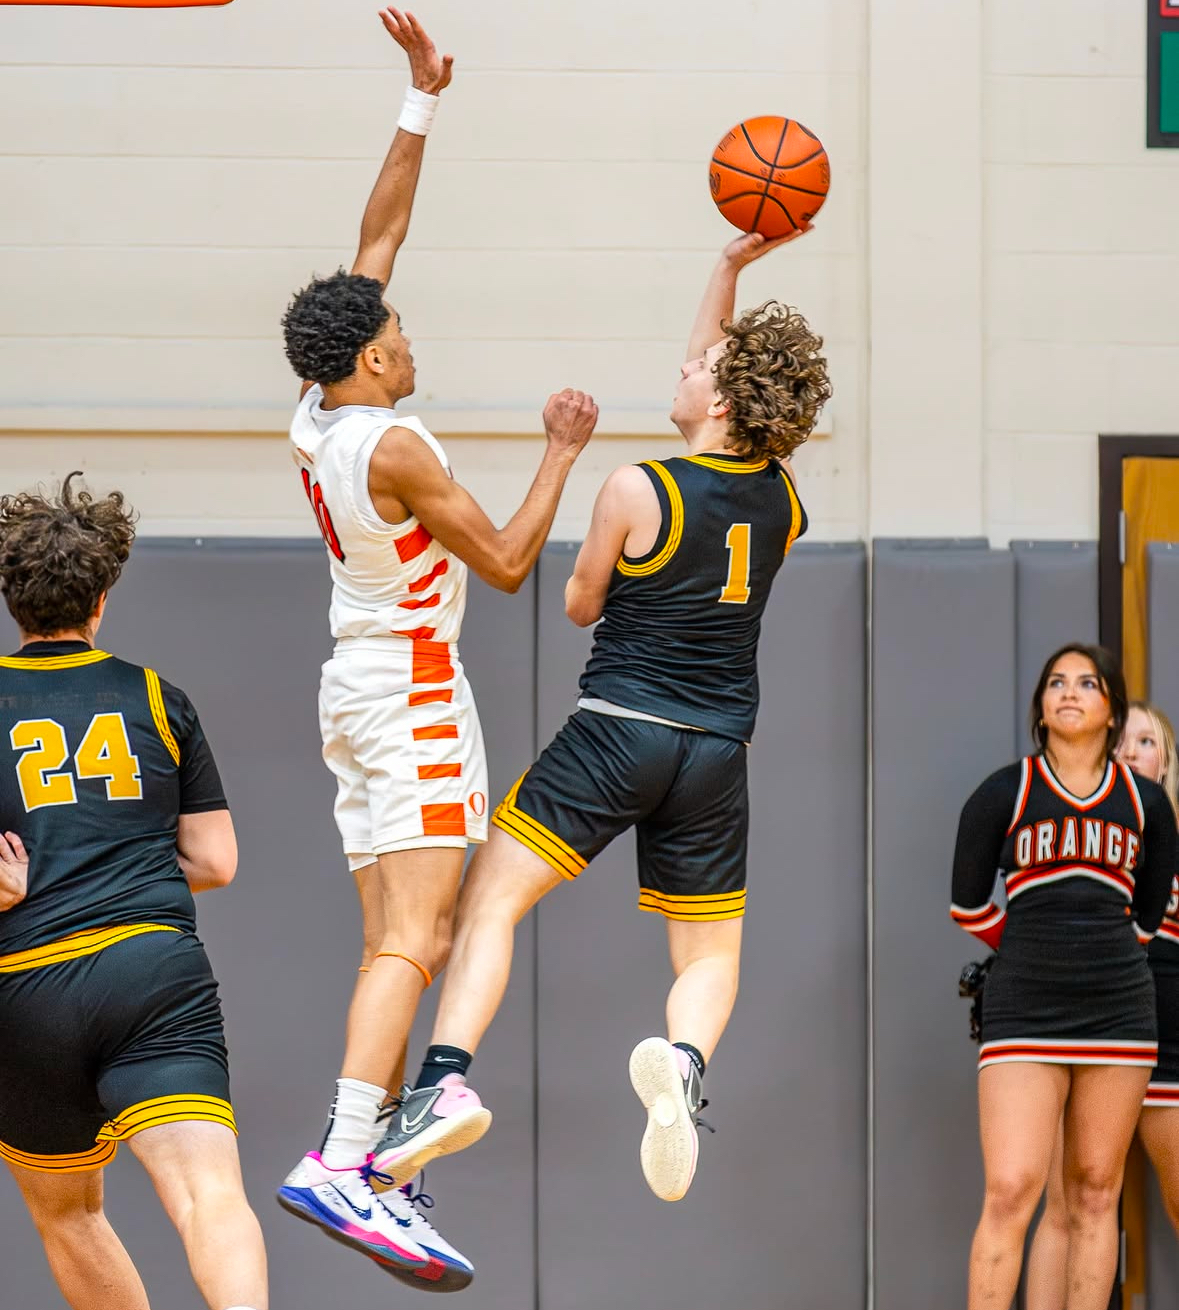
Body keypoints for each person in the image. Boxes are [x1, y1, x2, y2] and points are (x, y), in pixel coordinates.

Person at [368, 226, 832, 1205]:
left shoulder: (637, 484)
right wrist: (728, 268)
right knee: (710, 951)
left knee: (490, 899)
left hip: (618, 727)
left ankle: (441, 1080)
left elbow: (580, 602)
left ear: (723, 395)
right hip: (714, 751)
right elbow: (722, 391)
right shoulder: (784, 502)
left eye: (697, 362)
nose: (683, 360)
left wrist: (604, 558)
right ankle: (688, 1065)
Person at [276, 8, 597, 1288]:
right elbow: (513, 565)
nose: (412, 338)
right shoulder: (393, 447)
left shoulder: (315, 412)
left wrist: (420, 103)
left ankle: (377, 1164)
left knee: (395, 942)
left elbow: (377, 238)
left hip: (352, 681)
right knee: (420, 941)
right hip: (406, 685)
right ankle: (348, 1157)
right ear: (367, 360)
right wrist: (563, 450)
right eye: (396, 336)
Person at [0, 473, 269, 1310]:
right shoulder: (158, 697)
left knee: (69, 1214)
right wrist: (122, 854)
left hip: (28, 984)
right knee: (209, 1197)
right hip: (153, 973)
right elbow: (216, 861)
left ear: (11, 597)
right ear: (103, 598)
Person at [951, 645, 1178, 1310]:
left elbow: (1143, 917)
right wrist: (1029, 949)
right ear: (1041, 708)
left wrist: (1097, 953)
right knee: (1011, 1190)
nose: (1068, 692)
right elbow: (965, 903)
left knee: (1093, 1194)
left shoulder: (1144, 806)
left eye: (1085, 683)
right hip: (1024, 1012)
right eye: (1055, 683)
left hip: (1117, 1014)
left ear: (1110, 709)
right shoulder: (1005, 791)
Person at [1025, 699, 1179, 1310]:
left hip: (1167, 1039)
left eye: (1146, 742)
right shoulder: (1077, 839)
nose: (1131, 754)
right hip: (1090, 1031)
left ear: (1165, 759)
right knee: (1067, 1204)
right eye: (1121, 743)